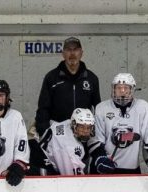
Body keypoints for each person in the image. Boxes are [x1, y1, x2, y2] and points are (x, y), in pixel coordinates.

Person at [31, 37, 101, 175]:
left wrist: (94, 134)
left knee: (81, 173)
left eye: (75, 50)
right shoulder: (51, 77)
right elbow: (43, 109)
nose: (72, 54)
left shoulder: (92, 78)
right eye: (68, 50)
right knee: (58, 173)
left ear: (82, 52)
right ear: (63, 53)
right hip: (58, 137)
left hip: (83, 134)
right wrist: (46, 133)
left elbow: (98, 109)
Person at [92, 73, 148, 184]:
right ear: (113, 89)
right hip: (105, 169)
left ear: (132, 90)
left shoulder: (142, 107)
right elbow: (95, 139)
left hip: (131, 170)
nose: (122, 91)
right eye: (119, 88)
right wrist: (100, 158)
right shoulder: (101, 108)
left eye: (126, 88)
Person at [39, 108, 110, 175]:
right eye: (82, 127)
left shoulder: (67, 123)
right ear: (74, 125)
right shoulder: (69, 147)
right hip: (41, 169)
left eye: (88, 127)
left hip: (47, 159)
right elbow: (73, 180)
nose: (85, 131)